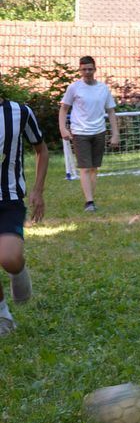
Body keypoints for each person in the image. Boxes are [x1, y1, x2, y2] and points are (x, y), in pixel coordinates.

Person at [0, 90, 49, 335]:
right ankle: (3, 317)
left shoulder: (20, 112)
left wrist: (38, 191)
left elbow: (42, 150)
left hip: (9, 200)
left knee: (9, 257)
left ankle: (18, 270)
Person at [58, 56, 119, 212]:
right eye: (84, 69)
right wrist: (63, 129)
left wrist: (115, 134)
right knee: (85, 168)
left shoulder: (103, 88)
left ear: (95, 69)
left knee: (94, 168)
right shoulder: (74, 88)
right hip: (80, 132)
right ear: (80, 70)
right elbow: (64, 109)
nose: (87, 72)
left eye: (90, 69)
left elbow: (111, 111)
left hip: (99, 131)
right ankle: (89, 202)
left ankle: (91, 198)